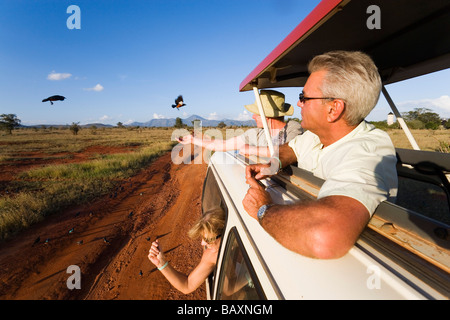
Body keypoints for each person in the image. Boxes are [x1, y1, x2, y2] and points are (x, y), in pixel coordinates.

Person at [242, 50, 398, 260]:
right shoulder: (318, 135)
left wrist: (263, 209)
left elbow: (324, 238)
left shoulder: (367, 153)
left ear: (334, 109)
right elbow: (292, 148)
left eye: (303, 97)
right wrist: (273, 163)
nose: (298, 104)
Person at [177, 90, 303, 157]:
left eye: (256, 113)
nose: (253, 116)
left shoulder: (293, 128)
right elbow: (221, 145)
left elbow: (290, 152)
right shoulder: (255, 134)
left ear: (268, 115)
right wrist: (193, 140)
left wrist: (251, 149)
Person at [148, 208, 225, 294]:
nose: (202, 243)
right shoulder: (212, 255)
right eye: (202, 238)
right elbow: (187, 285)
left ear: (223, 234)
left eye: (208, 240)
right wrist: (161, 264)